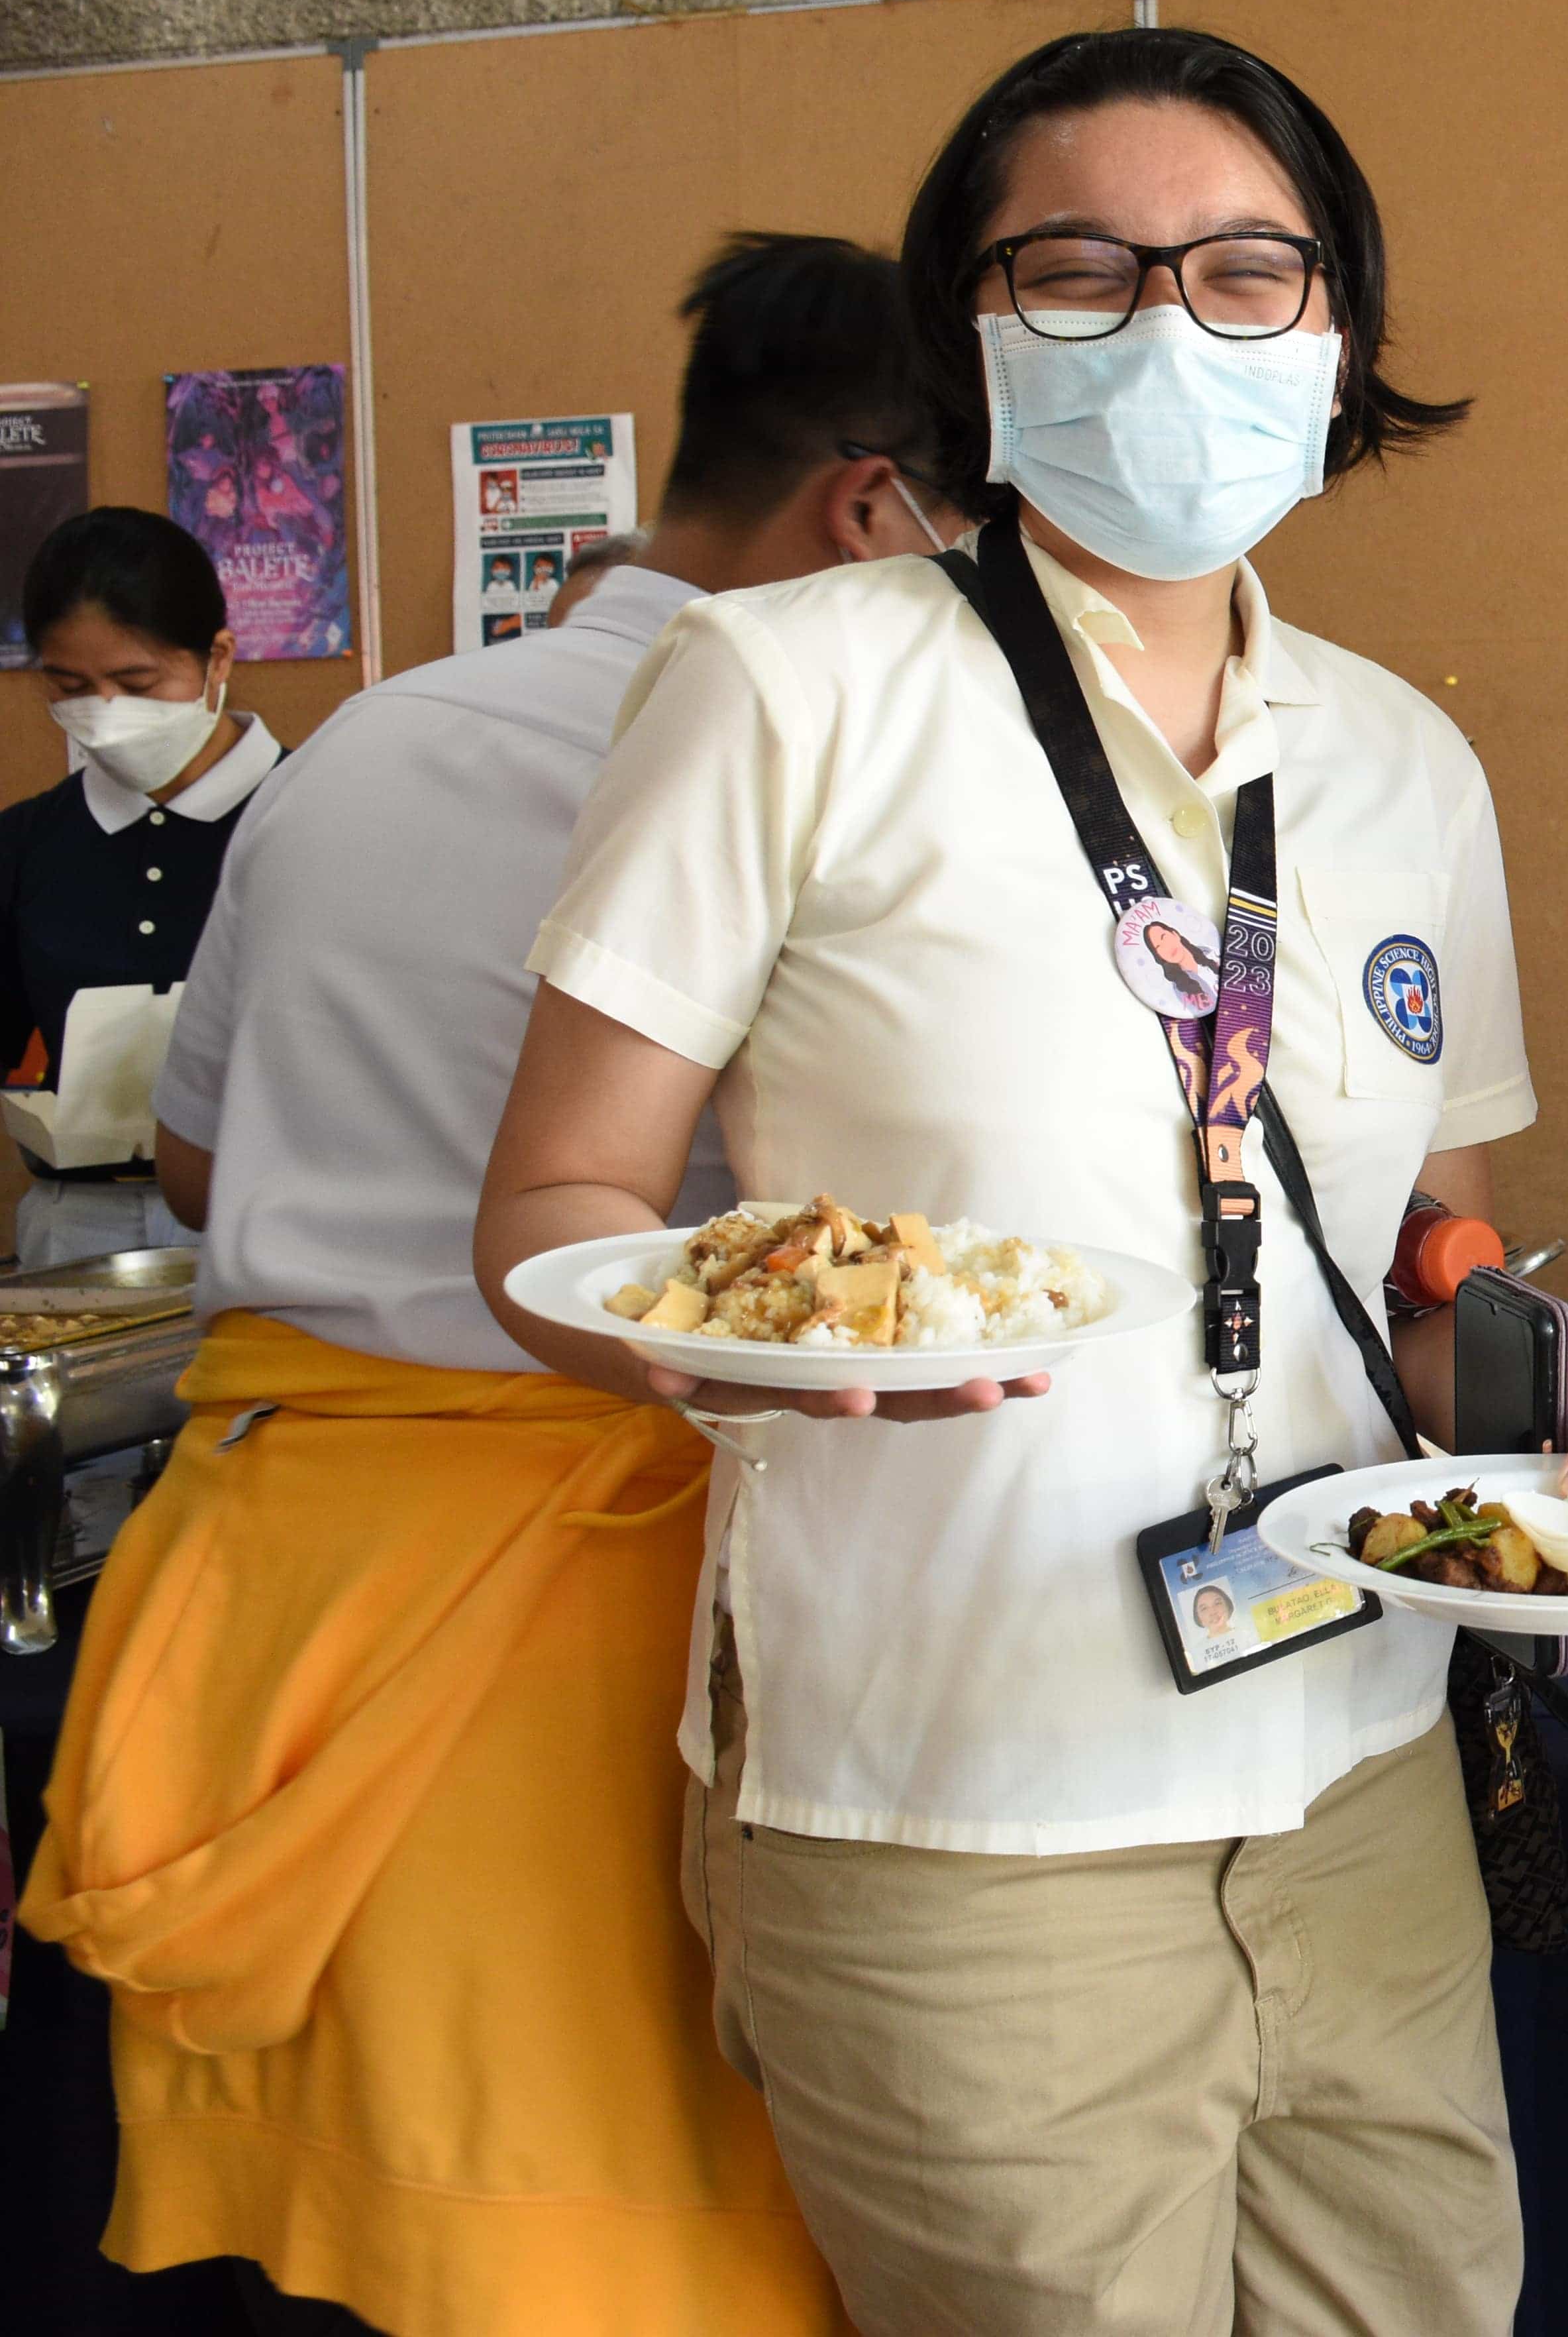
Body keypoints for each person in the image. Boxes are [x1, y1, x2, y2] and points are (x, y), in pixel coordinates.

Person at [471, 27, 1568, 2337]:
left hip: (1359, 1783)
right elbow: (548, 1212)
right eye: (1081, 272)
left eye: (1238, 272)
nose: (1166, 325)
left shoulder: (1406, 762)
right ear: (971, 329)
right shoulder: (784, 686)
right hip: (960, 1816)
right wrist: (749, 1357)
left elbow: (1436, 1247)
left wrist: (1543, 1427)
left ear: (1335, 337)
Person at [19, 235, 945, 2337]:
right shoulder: (840, 753)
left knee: (336, 2242)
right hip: (583, 1611)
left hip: (263, 1581)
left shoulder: (358, 746)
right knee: (602, 2239)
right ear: (870, 505)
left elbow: (191, 1148)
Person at [0, 506, 280, 1267]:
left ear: (217, 658)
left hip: (270, 1212)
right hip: (77, 1225)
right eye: (70, 684)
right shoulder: (27, 842)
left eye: (136, 680)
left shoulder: (310, 814)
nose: (106, 712)